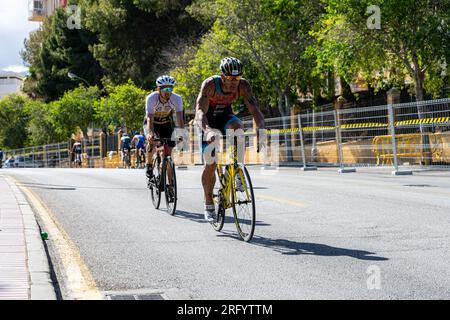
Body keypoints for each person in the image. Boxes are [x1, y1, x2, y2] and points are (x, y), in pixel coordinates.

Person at [195, 57, 265, 222]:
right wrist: (207, 131)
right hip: (207, 121)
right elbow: (199, 113)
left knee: (238, 127)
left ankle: (237, 170)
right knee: (210, 165)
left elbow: (255, 110)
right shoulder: (211, 85)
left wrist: (261, 128)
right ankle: (208, 204)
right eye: (230, 78)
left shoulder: (244, 86)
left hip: (225, 117)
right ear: (222, 75)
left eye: (238, 78)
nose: (234, 82)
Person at [145, 75, 185, 179]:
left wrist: (181, 133)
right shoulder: (151, 98)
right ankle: (149, 165)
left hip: (166, 123)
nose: (168, 91)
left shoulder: (177, 98)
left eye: (170, 88)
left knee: (168, 153)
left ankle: (170, 184)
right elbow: (149, 118)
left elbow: (180, 118)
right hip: (152, 123)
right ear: (158, 89)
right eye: (165, 89)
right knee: (152, 142)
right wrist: (150, 133)